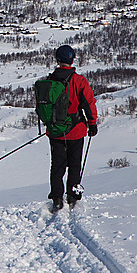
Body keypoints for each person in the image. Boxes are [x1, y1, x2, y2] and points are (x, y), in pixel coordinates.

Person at [46, 45, 98, 212]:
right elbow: (88, 104)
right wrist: (92, 123)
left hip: (55, 132)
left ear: (57, 60)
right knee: (75, 165)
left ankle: (56, 198)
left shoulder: (49, 81)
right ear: (72, 60)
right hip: (76, 131)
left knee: (57, 166)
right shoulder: (79, 81)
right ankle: (72, 196)